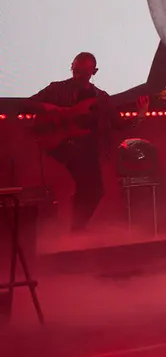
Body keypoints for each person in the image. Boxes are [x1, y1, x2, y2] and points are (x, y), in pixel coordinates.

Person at [27, 53, 149, 232]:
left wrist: (140, 115)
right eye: (76, 70)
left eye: (84, 72)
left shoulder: (101, 98)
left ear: (94, 72)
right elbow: (29, 103)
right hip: (62, 145)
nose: (78, 76)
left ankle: (77, 226)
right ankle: (76, 229)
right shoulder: (56, 89)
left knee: (95, 190)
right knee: (90, 186)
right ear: (72, 67)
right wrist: (56, 109)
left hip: (87, 149)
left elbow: (118, 124)